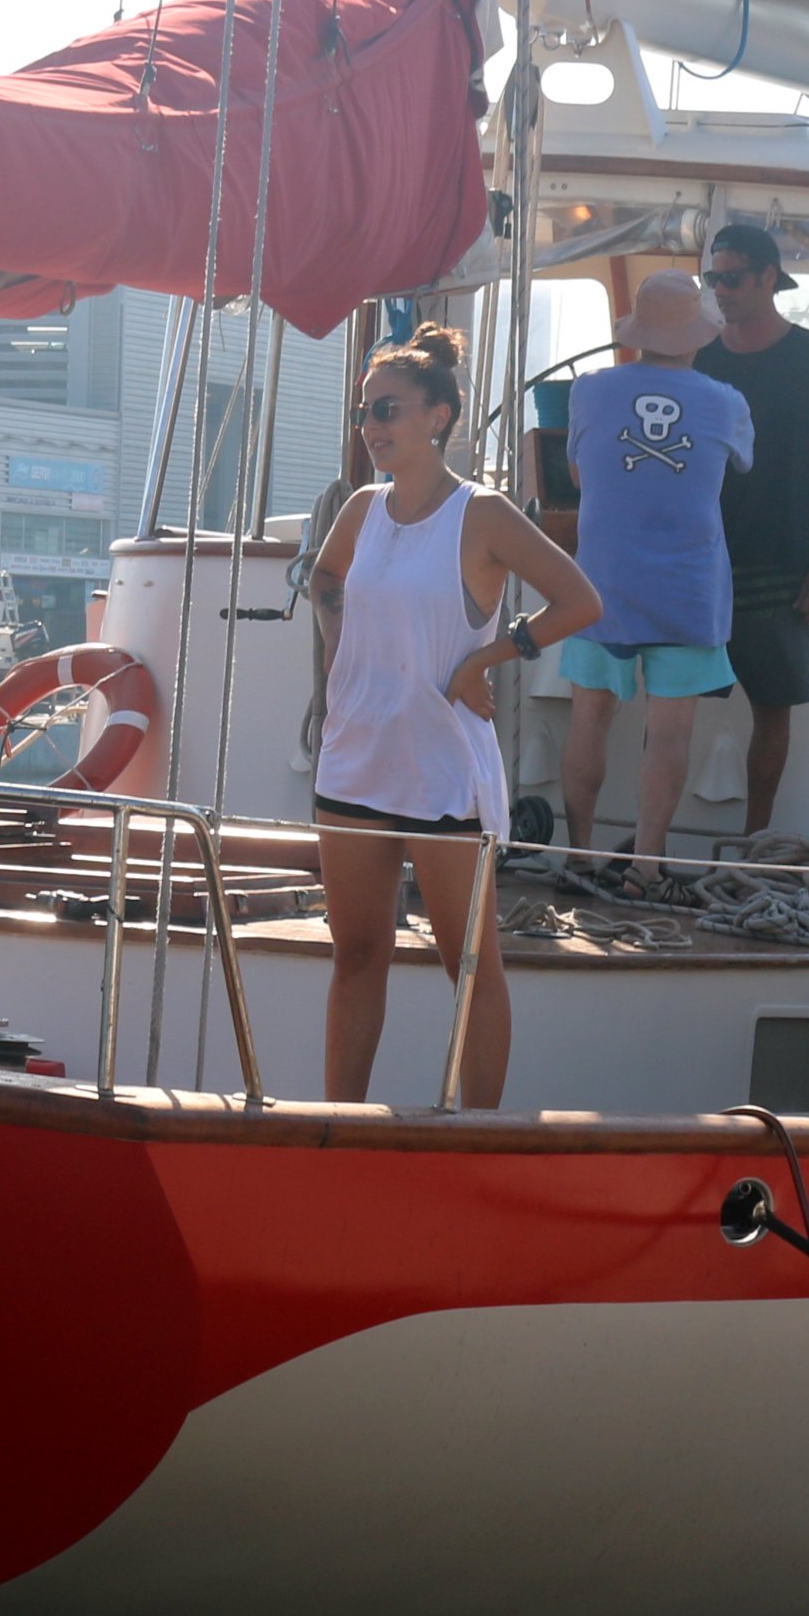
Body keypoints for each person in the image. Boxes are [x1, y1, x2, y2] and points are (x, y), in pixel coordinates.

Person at [309, 325, 602, 1109]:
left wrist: (485, 659)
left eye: (388, 409)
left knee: (470, 965)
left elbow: (580, 600)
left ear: (439, 416)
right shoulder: (359, 511)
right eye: (364, 413)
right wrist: (340, 662)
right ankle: (338, 1132)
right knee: (356, 956)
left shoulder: (486, 513)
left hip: (440, 766)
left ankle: (476, 1135)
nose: (371, 426)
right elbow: (325, 580)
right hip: (355, 758)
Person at [555, 271, 754, 856]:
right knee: (670, 731)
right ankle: (647, 864)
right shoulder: (728, 403)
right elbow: (738, 465)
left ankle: (581, 856)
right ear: (698, 335)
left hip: (599, 581)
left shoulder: (589, 389)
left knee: (589, 716)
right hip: (687, 586)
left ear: (637, 333)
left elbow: (577, 474)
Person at [692, 218, 809, 831]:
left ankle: (754, 842)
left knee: (773, 711)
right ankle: (654, 844)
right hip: (698, 564)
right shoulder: (700, 358)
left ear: (768, 278)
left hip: (782, 565)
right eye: (713, 278)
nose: (721, 291)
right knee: (672, 706)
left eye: (732, 278)